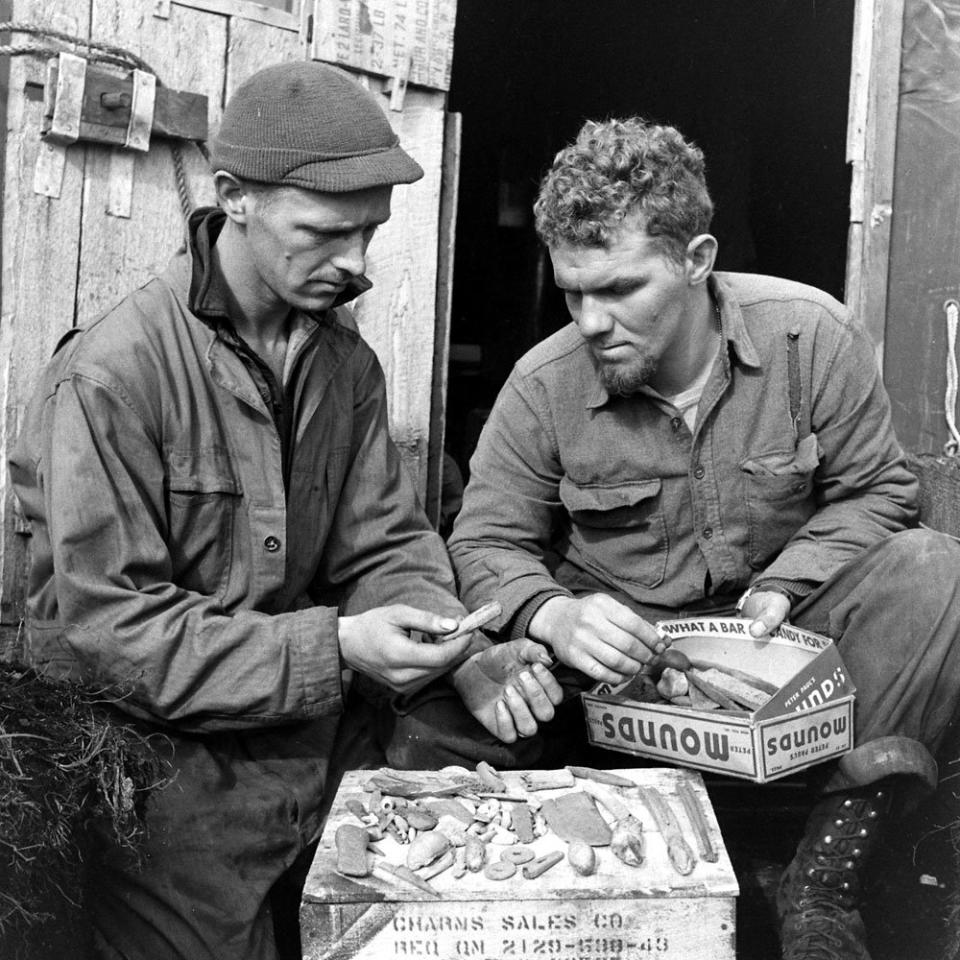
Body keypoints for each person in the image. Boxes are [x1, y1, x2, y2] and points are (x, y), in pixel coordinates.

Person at [7, 61, 559, 960]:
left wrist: (458, 653)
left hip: (306, 725)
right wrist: (336, 646)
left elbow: (384, 543)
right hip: (161, 751)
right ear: (236, 198)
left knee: (480, 848)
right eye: (327, 232)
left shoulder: (345, 367)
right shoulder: (112, 376)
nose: (356, 265)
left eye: (370, 234)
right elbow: (113, 638)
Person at [443, 117, 960, 959]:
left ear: (696, 260)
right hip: (621, 672)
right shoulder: (542, 385)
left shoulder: (810, 336)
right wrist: (550, 614)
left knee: (937, 569)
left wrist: (787, 584)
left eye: (619, 289)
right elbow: (480, 542)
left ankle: (823, 881)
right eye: (573, 292)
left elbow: (882, 492)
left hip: (787, 644)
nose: (591, 321)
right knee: (453, 693)